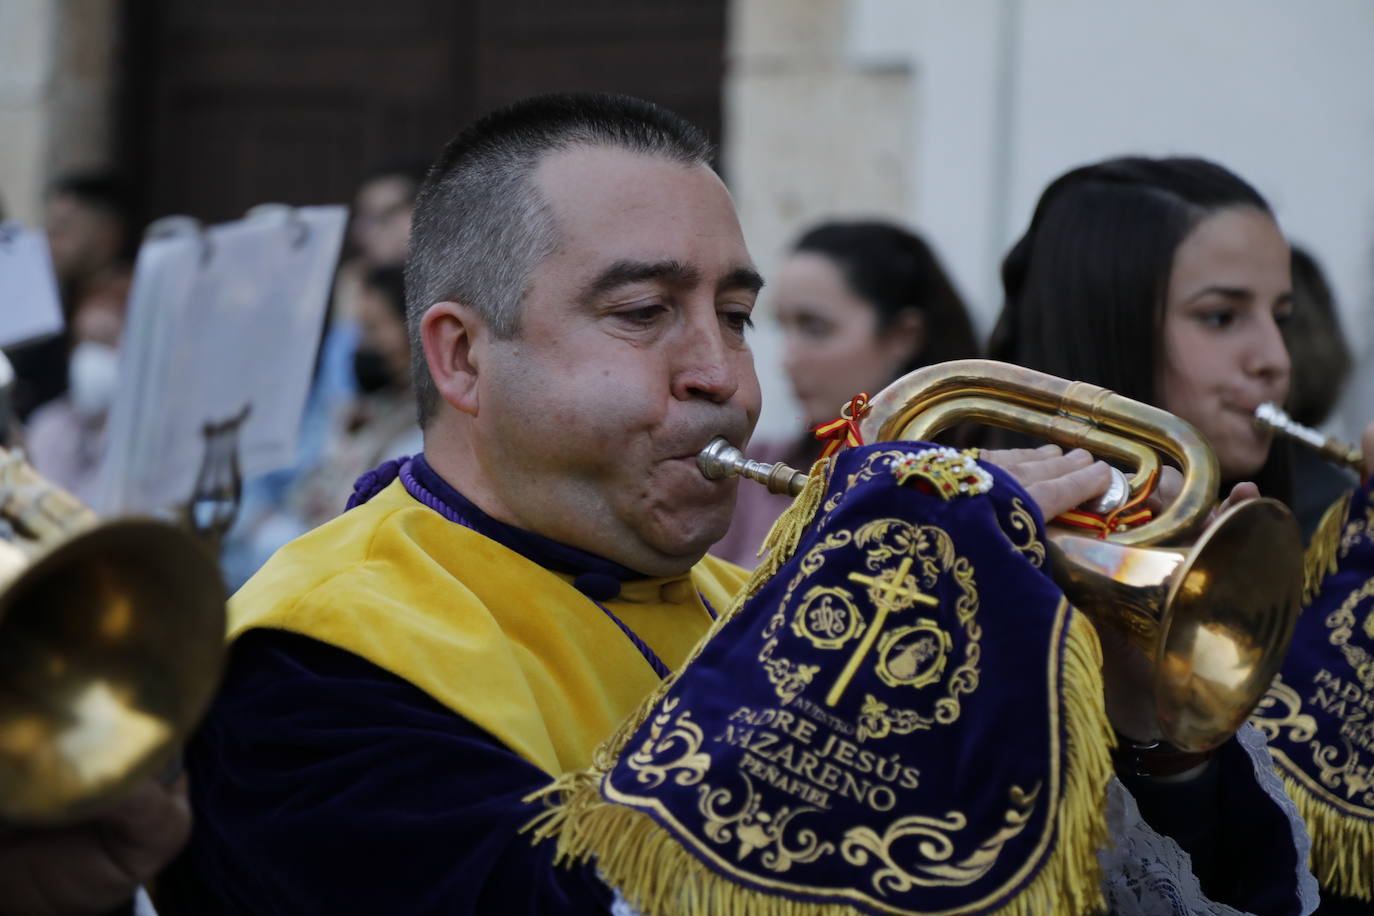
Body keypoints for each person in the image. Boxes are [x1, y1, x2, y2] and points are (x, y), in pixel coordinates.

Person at [171, 99, 1310, 915]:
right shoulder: (307, 661)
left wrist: (1139, 727)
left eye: (736, 314)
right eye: (642, 312)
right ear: (462, 357)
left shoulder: (741, 596)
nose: (721, 373)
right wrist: (870, 608)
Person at [989, 155, 1368, 914]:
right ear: (1107, 323)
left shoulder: (1300, 542)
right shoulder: (980, 524)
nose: (1274, 360)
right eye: (1221, 317)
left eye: (1281, 316)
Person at [712, 220, 979, 567]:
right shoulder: (751, 471)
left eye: (815, 327)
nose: (788, 359)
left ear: (903, 336)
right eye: (783, 326)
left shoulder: (967, 483)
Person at [24, 267, 131, 505]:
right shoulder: (49, 426)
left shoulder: (154, 436)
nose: (88, 356)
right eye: (82, 341)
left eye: (104, 341)